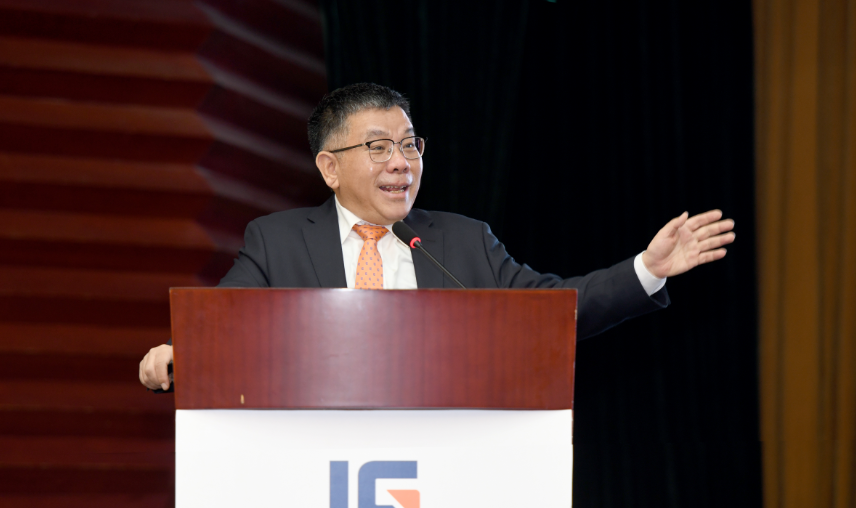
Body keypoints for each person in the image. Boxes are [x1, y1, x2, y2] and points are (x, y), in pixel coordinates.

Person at [139, 83, 735, 392]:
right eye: (378, 147)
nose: (401, 162)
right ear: (329, 167)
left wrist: (646, 268)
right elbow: (223, 324)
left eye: (409, 144)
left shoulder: (464, 241)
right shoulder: (276, 241)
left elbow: (553, 311)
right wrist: (177, 352)